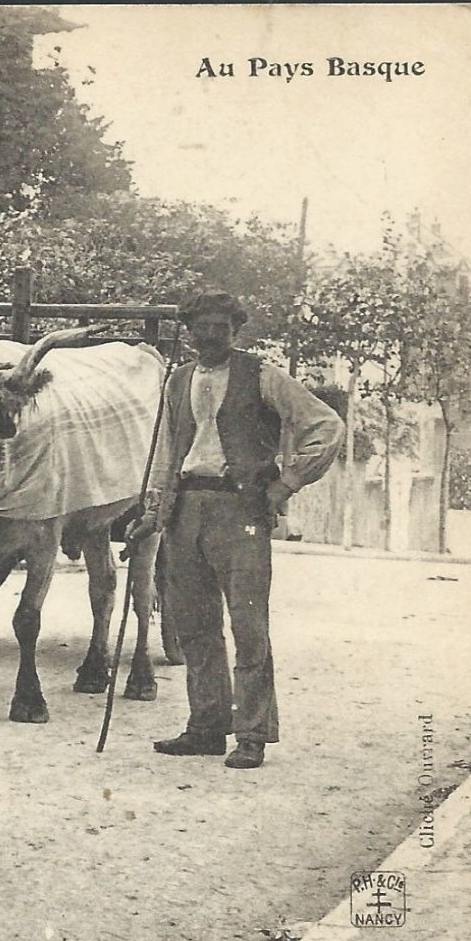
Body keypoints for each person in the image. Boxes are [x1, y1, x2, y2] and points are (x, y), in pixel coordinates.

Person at [126, 291, 345, 769]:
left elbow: (326, 426)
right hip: (186, 509)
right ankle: (206, 727)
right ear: (188, 331)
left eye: (218, 328)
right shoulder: (178, 380)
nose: (207, 336)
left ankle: (252, 734)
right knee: (195, 627)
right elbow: (165, 453)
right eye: (199, 327)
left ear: (235, 331)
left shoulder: (263, 376)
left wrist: (287, 482)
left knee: (248, 627)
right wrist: (152, 514)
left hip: (240, 510)